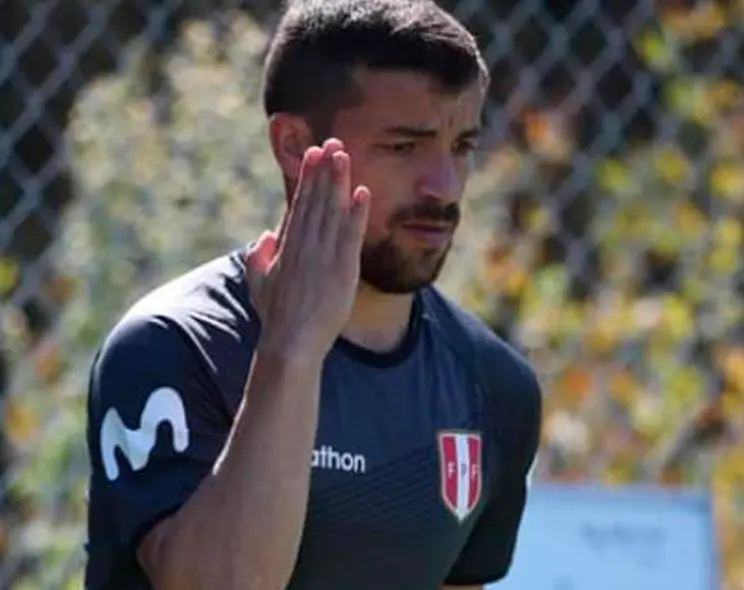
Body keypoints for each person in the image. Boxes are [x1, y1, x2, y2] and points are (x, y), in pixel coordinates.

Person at [82, 0, 543, 588]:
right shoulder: (176, 345)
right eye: (404, 147)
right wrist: (293, 350)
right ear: (295, 146)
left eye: (461, 147)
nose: (444, 187)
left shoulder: (493, 385)